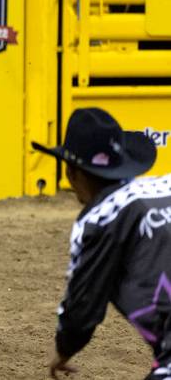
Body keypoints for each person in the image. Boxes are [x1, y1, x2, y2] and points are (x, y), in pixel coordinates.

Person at [31, 108, 163, 379]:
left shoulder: (99, 219)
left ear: (71, 174)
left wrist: (64, 348)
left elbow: (83, 304)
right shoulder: (166, 186)